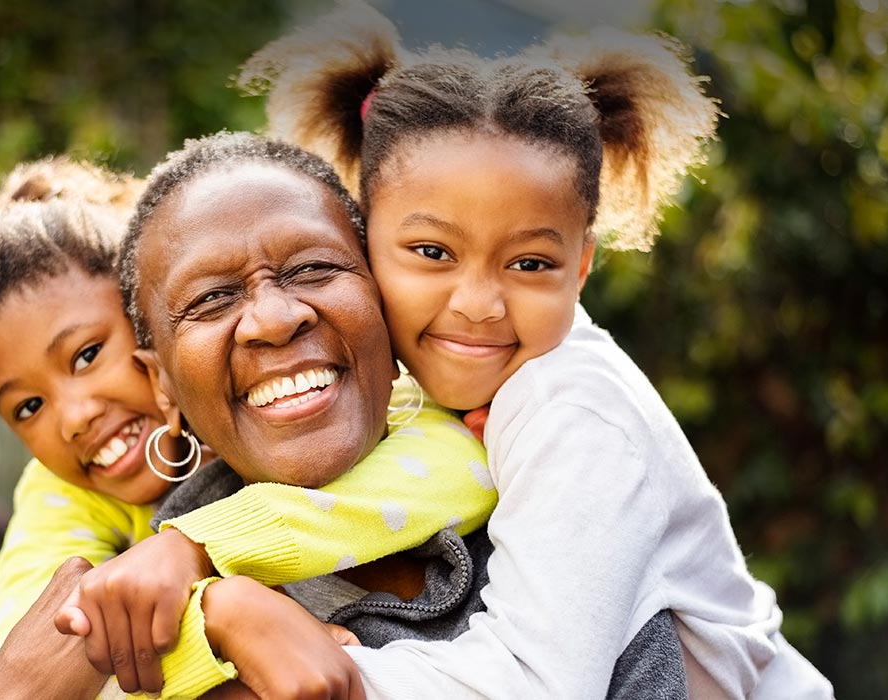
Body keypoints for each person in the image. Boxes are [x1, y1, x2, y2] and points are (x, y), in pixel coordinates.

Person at [226, 3, 835, 698]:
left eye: (531, 265)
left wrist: (323, 666)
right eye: (433, 252)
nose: (479, 303)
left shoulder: (572, 412)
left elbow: (535, 683)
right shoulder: (391, 388)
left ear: (580, 268)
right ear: (361, 243)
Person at [109, 131, 690, 700]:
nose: (275, 318)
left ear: (384, 300)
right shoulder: (145, 618)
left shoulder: (549, 476)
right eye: (210, 299)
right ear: (162, 384)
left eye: (313, 268)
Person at [0, 156, 498, 698]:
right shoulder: (58, 493)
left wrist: (201, 549)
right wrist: (216, 622)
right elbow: (37, 664)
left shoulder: (398, 402)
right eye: (27, 407)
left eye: (88, 355)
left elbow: (459, 466)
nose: (75, 415)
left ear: (145, 332)